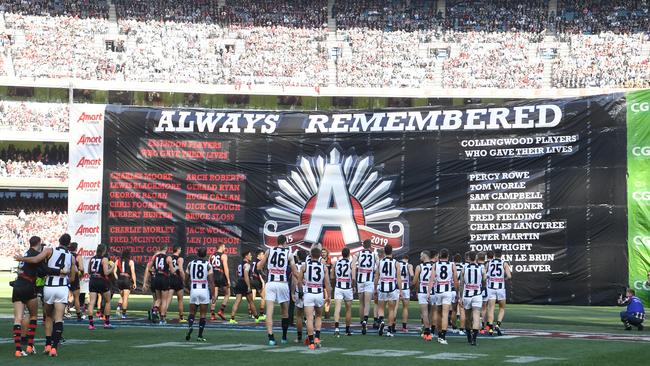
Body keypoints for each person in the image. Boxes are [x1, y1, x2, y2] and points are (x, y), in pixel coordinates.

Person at [15, 233, 77, 357]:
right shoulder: (72, 257)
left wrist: (22, 258)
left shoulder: (50, 250)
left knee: (48, 316)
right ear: (69, 244)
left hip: (49, 287)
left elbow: (36, 259)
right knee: (59, 318)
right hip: (62, 287)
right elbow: (72, 278)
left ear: (59, 241)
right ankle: (54, 348)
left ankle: (47, 345)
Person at [257, 234, 298, 345]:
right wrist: (302, 280)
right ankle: (284, 337)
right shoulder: (289, 253)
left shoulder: (269, 251)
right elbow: (294, 272)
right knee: (285, 312)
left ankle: (271, 337)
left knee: (269, 312)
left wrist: (260, 265)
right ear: (285, 242)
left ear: (277, 242)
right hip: (282, 284)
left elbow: (259, 266)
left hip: (270, 284)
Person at [11, 236, 45, 357]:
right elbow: (42, 272)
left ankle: (18, 350)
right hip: (28, 285)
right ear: (39, 243)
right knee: (34, 315)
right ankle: (30, 346)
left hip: (17, 285)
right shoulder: (36, 255)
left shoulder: (26, 253)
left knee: (18, 318)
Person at [301, 246, 331, 350]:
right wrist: (329, 296)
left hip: (308, 293)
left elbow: (299, 281)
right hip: (319, 294)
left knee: (309, 318)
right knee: (318, 316)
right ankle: (317, 337)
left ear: (311, 255)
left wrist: (301, 291)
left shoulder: (305, 266)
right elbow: (327, 284)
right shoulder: (324, 267)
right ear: (319, 256)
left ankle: (311, 342)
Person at [428, 248, 459, 345]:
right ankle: (443, 336)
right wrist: (458, 292)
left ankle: (439, 334)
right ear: (448, 256)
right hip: (447, 291)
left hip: (438, 292)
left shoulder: (435, 265)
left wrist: (428, 292)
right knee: (445, 314)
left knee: (438, 313)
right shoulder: (452, 265)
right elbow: (455, 281)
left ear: (440, 256)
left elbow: (431, 280)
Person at [185, 247, 214, 341]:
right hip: (204, 289)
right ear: (206, 254)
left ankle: (190, 326)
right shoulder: (208, 265)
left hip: (194, 289)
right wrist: (213, 294)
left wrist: (189, 288)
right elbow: (211, 282)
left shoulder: (190, 264)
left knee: (192, 312)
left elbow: (186, 280)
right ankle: (200, 336)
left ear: (197, 253)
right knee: (203, 314)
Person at [374, 244, 403, 337]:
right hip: (392, 288)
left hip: (382, 287)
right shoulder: (396, 263)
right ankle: (389, 331)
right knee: (391, 310)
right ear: (392, 252)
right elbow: (398, 278)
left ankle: (381, 321)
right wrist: (401, 290)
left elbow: (376, 276)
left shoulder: (380, 262)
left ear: (384, 252)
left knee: (381, 308)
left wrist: (375, 288)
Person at [87, 244, 115, 330]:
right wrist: (112, 267)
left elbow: (89, 271)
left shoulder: (92, 259)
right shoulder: (105, 259)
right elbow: (106, 272)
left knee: (91, 302)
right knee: (107, 301)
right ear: (104, 251)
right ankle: (106, 323)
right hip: (101, 281)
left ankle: (91, 324)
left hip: (93, 280)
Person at [143, 246, 173, 325]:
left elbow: (149, 268)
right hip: (164, 278)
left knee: (158, 299)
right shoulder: (168, 257)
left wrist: (154, 270)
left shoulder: (155, 257)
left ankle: (155, 310)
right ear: (166, 249)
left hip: (156, 278)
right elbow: (172, 270)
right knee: (164, 300)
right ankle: (162, 319)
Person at [461, 251, 486, 346]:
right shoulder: (481, 268)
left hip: (467, 295)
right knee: (476, 317)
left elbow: (461, 284)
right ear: (475, 258)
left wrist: (460, 297)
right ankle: (474, 339)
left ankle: (468, 336)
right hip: (477, 294)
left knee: (468, 318)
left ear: (468, 258)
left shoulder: (464, 268)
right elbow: (484, 281)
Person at [229, 251, 260, 324]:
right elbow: (246, 275)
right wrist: (248, 286)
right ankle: (256, 317)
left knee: (237, 301)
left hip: (239, 282)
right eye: (250, 255)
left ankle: (232, 318)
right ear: (246, 256)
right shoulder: (247, 265)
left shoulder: (240, 264)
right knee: (251, 301)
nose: (251, 256)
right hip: (244, 283)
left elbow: (238, 274)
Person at [486, 249, 512, 336]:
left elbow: (484, 276)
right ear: (501, 255)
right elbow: (509, 276)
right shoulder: (504, 263)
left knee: (491, 309)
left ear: (494, 255)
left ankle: (490, 329)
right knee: (502, 308)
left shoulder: (489, 263)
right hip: (500, 288)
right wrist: (504, 279)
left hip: (491, 288)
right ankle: (498, 325)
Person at [332, 247, 355, 337]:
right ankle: (347, 329)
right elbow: (353, 278)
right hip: (347, 287)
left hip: (339, 287)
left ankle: (336, 328)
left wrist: (335, 284)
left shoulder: (337, 262)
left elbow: (332, 276)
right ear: (349, 254)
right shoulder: (351, 263)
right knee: (348, 310)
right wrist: (353, 286)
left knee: (337, 309)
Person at [354, 239, 376, 335]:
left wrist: (354, 278)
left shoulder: (358, 254)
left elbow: (353, 266)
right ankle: (365, 321)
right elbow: (377, 267)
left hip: (360, 280)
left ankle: (361, 321)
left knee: (361, 303)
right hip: (369, 280)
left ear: (363, 245)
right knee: (367, 303)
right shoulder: (374, 255)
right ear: (370, 245)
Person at [413, 250, 433, 341]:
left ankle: (427, 332)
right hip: (433, 292)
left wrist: (415, 289)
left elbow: (415, 281)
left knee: (424, 313)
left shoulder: (419, 267)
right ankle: (432, 331)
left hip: (423, 292)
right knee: (433, 313)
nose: (420, 257)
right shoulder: (435, 265)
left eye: (421, 256)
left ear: (425, 256)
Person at [210, 243, 231, 321]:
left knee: (214, 295)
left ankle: (212, 314)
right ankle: (221, 310)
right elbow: (226, 268)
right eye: (224, 246)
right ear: (221, 247)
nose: (225, 247)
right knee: (228, 293)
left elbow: (210, 267)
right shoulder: (223, 255)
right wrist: (228, 279)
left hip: (214, 276)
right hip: (221, 276)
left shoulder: (211, 256)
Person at [115, 248, 136, 319]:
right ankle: (123, 314)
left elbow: (114, 271)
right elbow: (133, 273)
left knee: (122, 296)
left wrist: (117, 278)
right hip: (126, 279)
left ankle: (118, 307)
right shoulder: (131, 262)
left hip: (120, 279)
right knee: (126, 298)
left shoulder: (117, 261)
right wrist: (134, 282)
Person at [292, 250, 307, 343]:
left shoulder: (296, 266)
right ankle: (311, 336)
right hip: (310, 291)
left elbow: (294, 281)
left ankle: (299, 337)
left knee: (299, 315)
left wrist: (293, 293)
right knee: (309, 316)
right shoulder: (309, 265)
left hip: (299, 290)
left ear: (298, 257)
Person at [169, 246, 186, 322]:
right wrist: (184, 279)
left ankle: (162, 314)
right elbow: (181, 270)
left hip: (170, 278)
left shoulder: (169, 258)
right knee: (180, 300)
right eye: (180, 249)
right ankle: (181, 317)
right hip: (178, 279)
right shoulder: (180, 259)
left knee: (168, 299)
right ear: (178, 250)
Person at [67, 242, 83, 322]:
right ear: (76, 248)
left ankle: (65, 311)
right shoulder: (78, 257)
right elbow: (82, 268)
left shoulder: (67, 255)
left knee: (68, 296)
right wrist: (81, 275)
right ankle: (78, 315)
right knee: (76, 298)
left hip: (67, 276)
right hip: (75, 277)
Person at [450, 253, 465, 335]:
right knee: (462, 310)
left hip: (452, 290)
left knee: (454, 310)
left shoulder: (451, 267)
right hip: (461, 291)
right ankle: (462, 329)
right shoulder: (464, 267)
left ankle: (454, 327)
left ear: (453, 260)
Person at [398, 254, 413, 332]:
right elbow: (412, 275)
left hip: (397, 287)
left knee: (394, 308)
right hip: (406, 288)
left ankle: (392, 326)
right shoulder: (408, 265)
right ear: (407, 259)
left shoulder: (396, 263)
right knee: (405, 308)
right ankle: (404, 327)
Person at [250, 250, 266, 320]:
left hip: (252, 280)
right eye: (262, 254)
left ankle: (251, 313)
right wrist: (262, 282)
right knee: (263, 297)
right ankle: (262, 313)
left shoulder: (252, 262)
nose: (263, 256)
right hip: (257, 280)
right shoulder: (259, 262)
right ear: (258, 255)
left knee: (251, 298)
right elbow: (259, 273)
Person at [321, 248, 333, 319]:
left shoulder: (329, 262)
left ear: (327, 253)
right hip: (319, 282)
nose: (323, 253)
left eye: (324, 252)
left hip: (326, 283)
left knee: (327, 298)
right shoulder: (319, 261)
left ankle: (327, 313)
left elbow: (331, 273)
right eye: (322, 252)